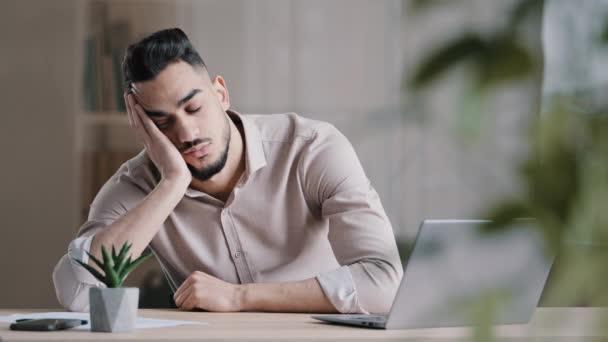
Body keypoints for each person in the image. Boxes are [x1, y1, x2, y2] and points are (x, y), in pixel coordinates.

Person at [52, 28, 403, 313]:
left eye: (193, 107)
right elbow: (77, 292)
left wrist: (240, 296)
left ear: (220, 93)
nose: (186, 134)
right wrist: (172, 184)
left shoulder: (311, 149)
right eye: (162, 123)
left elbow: (385, 283)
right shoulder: (139, 184)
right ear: (141, 127)